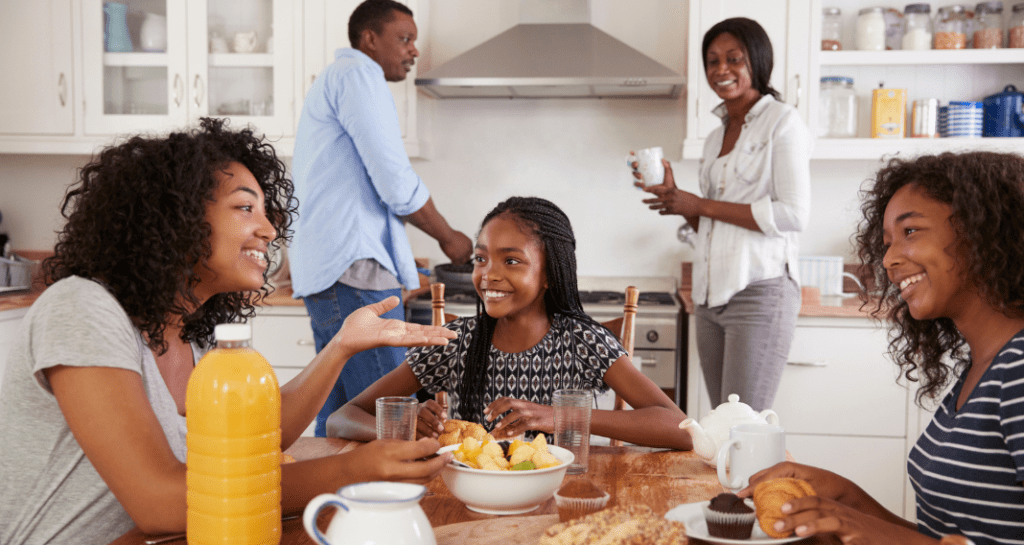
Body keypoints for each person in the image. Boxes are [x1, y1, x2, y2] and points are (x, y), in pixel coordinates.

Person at [0, 118, 456, 545]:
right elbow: (161, 502)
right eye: (244, 208)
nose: (269, 228)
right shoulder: (82, 308)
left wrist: (341, 347)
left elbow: (256, 439)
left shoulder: (193, 336)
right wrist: (349, 471)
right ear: (174, 218)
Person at [739, 151, 1024, 545]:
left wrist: (852, 520)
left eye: (910, 232)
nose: (889, 260)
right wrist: (845, 499)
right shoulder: (984, 367)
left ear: (985, 230)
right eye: (887, 242)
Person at [328, 196, 692, 450]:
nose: (489, 275)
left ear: (549, 273)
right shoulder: (457, 341)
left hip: (555, 501)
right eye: (481, 259)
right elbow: (342, 418)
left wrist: (560, 416)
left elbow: (678, 428)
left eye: (511, 261)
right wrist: (401, 428)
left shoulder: (582, 341)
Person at [289, 0, 473, 436]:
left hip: (335, 268)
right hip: (353, 268)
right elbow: (394, 180)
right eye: (404, 39)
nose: (413, 51)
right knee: (393, 418)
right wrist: (450, 239)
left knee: (338, 418)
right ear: (369, 39)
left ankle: (328, 504)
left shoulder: (343, 79)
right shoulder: (358, 75)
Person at [630, 17, 811, 412]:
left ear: (758, 62)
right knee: (721, 425)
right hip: (710, 295)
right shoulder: (714, 137)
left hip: (759, 290)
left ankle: (763, 479)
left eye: (734, 58)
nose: (721, 70)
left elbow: (794, 214)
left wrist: (699, 205)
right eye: (712, 61)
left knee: (743, 427)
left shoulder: (783, 122)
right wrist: (678, 201)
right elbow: (713, 223)